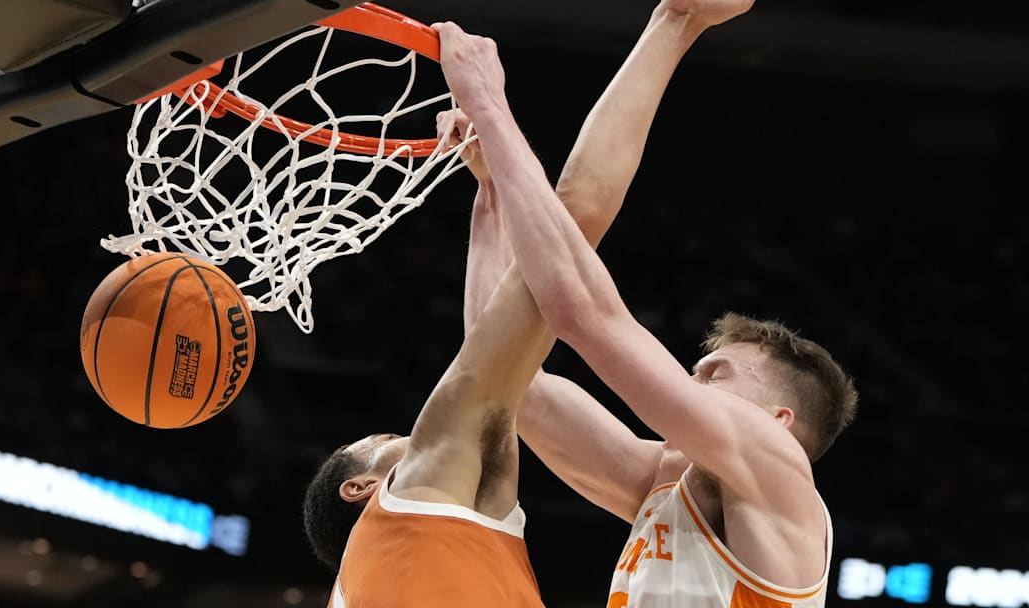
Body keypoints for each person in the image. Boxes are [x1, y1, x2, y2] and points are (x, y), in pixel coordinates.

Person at [300, 2, 749, 604]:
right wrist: (676, 20)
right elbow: (574, 222)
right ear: (362, 487)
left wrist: (489, 195)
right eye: (387, 436)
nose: (415, 429)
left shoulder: (395, 558)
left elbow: (507, 368)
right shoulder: (414, 491)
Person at [433, 0, 859, 606]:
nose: (691, 378)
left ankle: (679, 18)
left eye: (716, 374)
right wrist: (493, 195)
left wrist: (491, 107)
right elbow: (501, 375)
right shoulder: (661, 482)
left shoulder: (777, 468)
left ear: (778, 424)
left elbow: (586, 314)